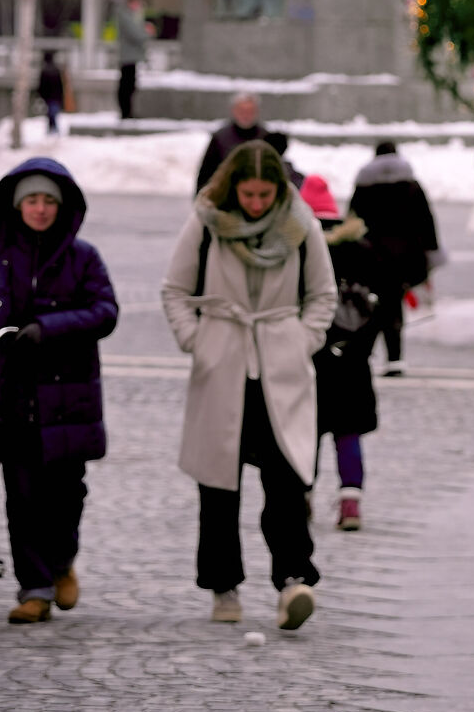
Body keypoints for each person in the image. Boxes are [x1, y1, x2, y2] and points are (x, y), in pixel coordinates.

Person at [0, 160, 118, 625]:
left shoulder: (83, 257)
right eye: (32, 200)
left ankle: (60, 563)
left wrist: (47, 329)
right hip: (10, 391)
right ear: (16, 206)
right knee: (22, 493)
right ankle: (34, 588)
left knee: (66, 492)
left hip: (66, 397)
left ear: (62, 206)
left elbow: (105, 311)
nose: (40, 208)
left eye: (48, 201)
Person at [161, 140, 336, 631]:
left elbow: (322, 293)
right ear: (233, 186)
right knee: (218, 483)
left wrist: (303, 339)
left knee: (288, 478)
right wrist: (198, 341)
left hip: (281, 366)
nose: (256, 203)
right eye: (248, 193)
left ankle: (293, 580)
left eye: (264, 194)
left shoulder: (302, 226)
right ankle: (223, 585)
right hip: (223, 362)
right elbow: (175, 289)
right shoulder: (206, 222)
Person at [304, 175, 379, 533]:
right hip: (352, 360)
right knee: (348, 434)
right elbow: (382, 306)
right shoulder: (362, 250)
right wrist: (363, 346)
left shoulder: (301, 250)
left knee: (305, 432)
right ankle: (351, 504)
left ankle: (301, 495)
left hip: (311, 359)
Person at [350, 140, 440, 378]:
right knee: (393, 306)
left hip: (372, 255)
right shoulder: (411, 185)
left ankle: (367, 352)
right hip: (405, 257)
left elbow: (353, 220)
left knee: (373, 304)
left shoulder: (364, 186)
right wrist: (431, 252)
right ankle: (395, 358)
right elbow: (426, 219)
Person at [195, 92, 265, 193]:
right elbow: (206, 172)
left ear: (256, 112)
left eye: (250, 111)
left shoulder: (266, 137)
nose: (246, 115)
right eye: (242, 111)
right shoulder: (220, 137)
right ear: (234, 111)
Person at [115, 0, 149, 120]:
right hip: (127, 57)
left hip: (131, 57)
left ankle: (128, 111)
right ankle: (126, 112)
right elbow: (136, 34)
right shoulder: (126, 16)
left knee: (130, 84)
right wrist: (146, 32)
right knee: (127, 85)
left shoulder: (129, 15)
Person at [37, 50, 65, 136]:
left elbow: (41, 85)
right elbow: (60, 85)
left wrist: (40, 95)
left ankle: (53, 129)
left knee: (51, 113)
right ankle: (53, 129)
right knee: (53, 113)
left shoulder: (44, 70)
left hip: (48, 97)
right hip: (55, 97)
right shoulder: (56, 69)